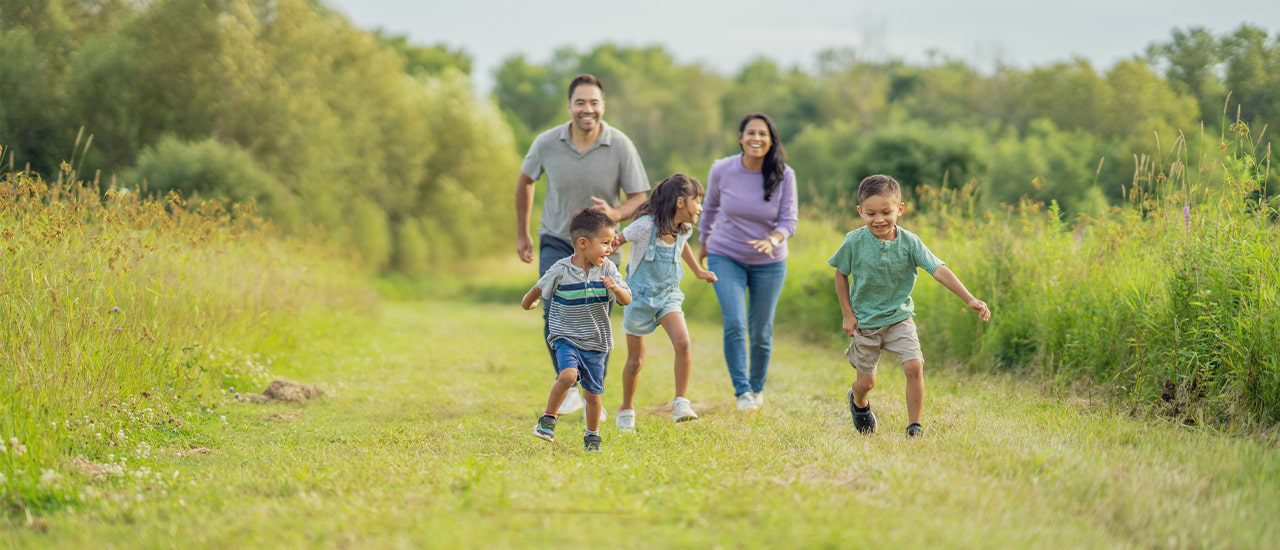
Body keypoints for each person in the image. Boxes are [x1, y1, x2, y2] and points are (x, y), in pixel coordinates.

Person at [515, 74, 650, 419]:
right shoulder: (547, 142)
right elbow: (525, 181)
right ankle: (569, 385)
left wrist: (616, 213)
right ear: (569, 106)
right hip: (557, 239)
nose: (587, 109)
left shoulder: (620, 145)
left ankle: (593, 391)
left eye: (594, 103)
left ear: (603, 107)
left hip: (603, 246)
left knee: (597, 317)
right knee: (553, 309)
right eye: (580, 102)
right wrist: (523, 233)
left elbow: (639, 196)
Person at [828, 175, 991, 437]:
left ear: (900, 209)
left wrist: (969, 298)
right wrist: (848, 315)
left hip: (899, 318)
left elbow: (938, 269)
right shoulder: (854, 242)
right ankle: (858, 402)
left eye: (886, 212)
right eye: (870, 213)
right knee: (866, 382)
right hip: (866, 322)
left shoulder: (910, 243)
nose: (878, 219)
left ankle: (914, 426)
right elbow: (840, 274)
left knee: (914, 366)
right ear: (860, 212)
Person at [697, 113, 798, 411]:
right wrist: (704, 242)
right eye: (751, 133)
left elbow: (788, 220)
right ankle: (742, 392)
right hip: (725, 254)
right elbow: (710, 208)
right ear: (740, 138)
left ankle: (757, 387)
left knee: (761, 329)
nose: (756, 139)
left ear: (771, 141)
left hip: (770, 261)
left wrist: (773, 240)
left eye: (763, 134)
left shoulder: (783, 174)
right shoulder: (722, 169)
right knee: (735, 322)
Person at [613, 174, 718, 432]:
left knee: (683, 342)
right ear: (681, 202)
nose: (700, 207)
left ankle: (681, 401)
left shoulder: (684, 229)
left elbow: (682, 247)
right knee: (636, 361)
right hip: (637, 298)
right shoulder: (645, 226)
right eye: (698, 200)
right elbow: (615, 240)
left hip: (668, 294)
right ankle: (626, 408)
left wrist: (697, 270)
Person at [523, 209, 632, 452]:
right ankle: (548, 419)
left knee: (593, 395)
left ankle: (592, 435)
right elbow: (538, 288)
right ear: (583, 243)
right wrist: (528, 302)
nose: (609, 249)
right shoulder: (560, 269)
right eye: (604, 243)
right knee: (569, 376)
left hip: (596, 343)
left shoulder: (608, 270)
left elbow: (627, 300)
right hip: (567, 337)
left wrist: (615, 288)